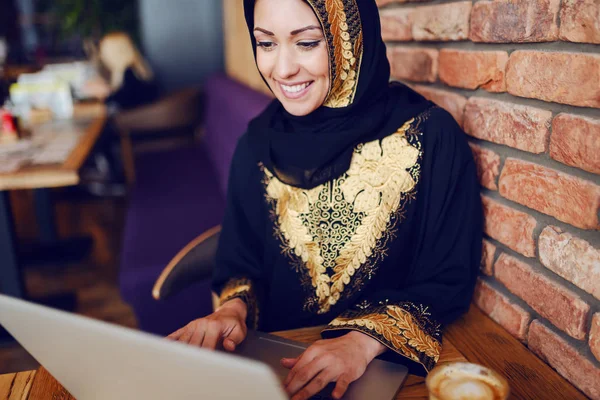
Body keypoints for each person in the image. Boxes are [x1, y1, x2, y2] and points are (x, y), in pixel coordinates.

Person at [168, 0, 483, 399]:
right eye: (266, 44)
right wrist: (232, 310)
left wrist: (361, 342)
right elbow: (241, 262)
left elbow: (446, 277)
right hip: (278, 376)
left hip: (382, 372)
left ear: (348, 40)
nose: (282, 70)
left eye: (307, 43)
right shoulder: (256, 145)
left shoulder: (430, 137)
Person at [84, 32, 158, 111]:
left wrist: (106, 92)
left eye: (105, 51)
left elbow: (125, 102)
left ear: (116, 52)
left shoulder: (130, 72)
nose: (103, 56)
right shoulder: (133, 69)